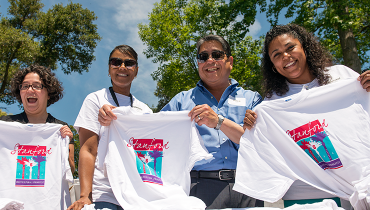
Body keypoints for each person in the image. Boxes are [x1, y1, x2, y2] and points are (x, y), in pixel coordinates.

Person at [98, 35, 264, 209]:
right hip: (200, 189)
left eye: (216, 55)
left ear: (229, 61)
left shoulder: (253, 99)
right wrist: (119, 116)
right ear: (198, 63)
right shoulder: (181, 101)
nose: (209, 60)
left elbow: (259, 144)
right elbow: (150, 131)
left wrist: (219, 121)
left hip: (249, 186)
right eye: (203, 56)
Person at [243, 24, 370, 209]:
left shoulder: (342, 76)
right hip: (306, 197)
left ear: (305, 47)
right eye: (276, 55)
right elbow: (266, 148)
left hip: (361, 185)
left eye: (290, 47)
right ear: (272, 65)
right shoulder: (271, 103)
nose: (285, 56)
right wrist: (252, 125)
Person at [67, 45, 153, 210]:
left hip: (137, 196)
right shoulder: (95, 100)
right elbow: (88, 150)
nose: (122, 67)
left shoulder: (145, 110)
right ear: (109, 68)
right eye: (116, 62)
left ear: (136, 70)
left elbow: (148, 155)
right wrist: (85, 196)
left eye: (129, 63)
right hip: (105, 195)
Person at [0, 64, 75, 173]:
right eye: (25, 86)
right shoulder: (5, 125)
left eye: (37, 86)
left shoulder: (60, 129)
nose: (30, 90)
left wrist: (64, 147)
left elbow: (70, 170)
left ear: (48, 93)